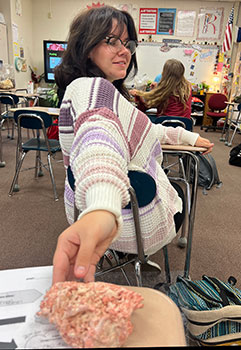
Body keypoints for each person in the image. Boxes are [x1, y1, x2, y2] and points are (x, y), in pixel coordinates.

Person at [53, 5, 214, 285]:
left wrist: (187, 137)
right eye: (111, 40)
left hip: (86, 206)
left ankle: (118, 252)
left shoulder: (94, 90)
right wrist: (102, 207)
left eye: (128, 43)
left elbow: (143, 127)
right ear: (86, 46)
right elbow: (98, 140)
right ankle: (129, 253)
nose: (125, 50)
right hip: (126, 216)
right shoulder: (93, 90)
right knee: (179, 190)